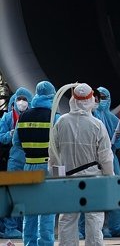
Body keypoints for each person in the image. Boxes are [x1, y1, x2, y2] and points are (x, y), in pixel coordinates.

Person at [51, 84, 114, 246]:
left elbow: (53, 154)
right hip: (93, 180)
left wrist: (57, 178)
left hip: (68, 180)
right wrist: (110, 177)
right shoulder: (97, 125)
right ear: (91, 99)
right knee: (94, 219)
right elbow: (106, 157)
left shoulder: (61, 122)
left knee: (67, 220)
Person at [15, 81, 57, 246]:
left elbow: (16, 142)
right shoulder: (54, 116)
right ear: (52, 95)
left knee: (30, 209)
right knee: (47, 209)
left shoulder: (23, 116)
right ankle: (45, 243)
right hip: (47, 167)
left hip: (29, 166)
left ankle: (29, 242)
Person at [0, 86, 33, 239]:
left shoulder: (32, 115)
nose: (21, 102)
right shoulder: (7, 118)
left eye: (24, 99)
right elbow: (1, 136)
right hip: (14, 160)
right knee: (12, 194)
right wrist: (10, 135)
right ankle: (10, 227)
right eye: (19, 99)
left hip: (30, 159)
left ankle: (20, 226)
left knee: (26, 196)